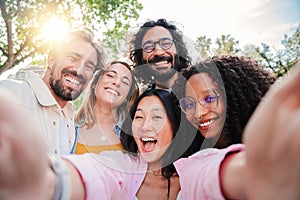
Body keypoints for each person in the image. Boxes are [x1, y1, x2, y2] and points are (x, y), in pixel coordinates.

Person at [1, 61, 300, 199]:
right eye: (139, 116)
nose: (145, 125)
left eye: (157, 117)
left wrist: (256, 177)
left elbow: (219, 174)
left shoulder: (195, 167)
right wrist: (48, 183)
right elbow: (93, 174)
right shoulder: (119, 165)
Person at [0, 29, 105, 155]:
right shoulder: (9, 95)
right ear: (51, 60)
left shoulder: (69, 119)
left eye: (89, 67)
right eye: (73, 58)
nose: (79, 70)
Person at [176, 55, 277, 148]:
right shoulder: (190, 162)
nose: (198, 113)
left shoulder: (271, 149)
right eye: (189, 104)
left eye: (210, 99)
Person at [73, 60, 139, 154]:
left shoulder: (133, 135)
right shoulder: (69, 125)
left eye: (125, 82)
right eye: (110, 75)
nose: (117, 83)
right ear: (95, 83)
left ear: (126, 98)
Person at [129, 18, 192, 90]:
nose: (158, 52)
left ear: (177, 48)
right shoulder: (144, 100)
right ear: (141, 56)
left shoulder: (199, 88)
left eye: (165, 43)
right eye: (148, 47)